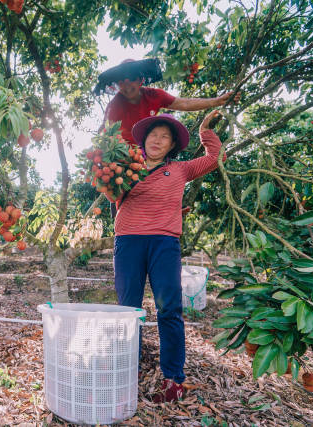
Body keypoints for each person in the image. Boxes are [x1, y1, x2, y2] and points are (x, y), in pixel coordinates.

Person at [110, 110, 226, 403]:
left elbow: (214, 157)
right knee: (127, 310)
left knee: (169, 310)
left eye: (164, 136)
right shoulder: (126, 167)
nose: (157, 140)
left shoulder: (180, 170)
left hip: (164, 243)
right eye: (153, 135)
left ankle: (173, 377)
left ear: (172, 144)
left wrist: (205, 131)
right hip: (128, 242)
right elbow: (111, 193)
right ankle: (127, 367)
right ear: (144, 139)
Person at [102, 59, 239, 145]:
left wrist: (218, 101)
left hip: (149, 151)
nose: (126, 86)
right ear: (118, 85)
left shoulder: (154, 95)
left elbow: (184, 103)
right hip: (124, 156)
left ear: (141, 80)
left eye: (130, 79)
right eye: (121, 82)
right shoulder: (114, 106)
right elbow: (106, 134)